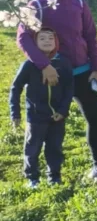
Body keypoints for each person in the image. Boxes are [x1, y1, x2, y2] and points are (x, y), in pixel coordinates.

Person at [16, 0, 97, 184]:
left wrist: (96, 68)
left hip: (83, 73)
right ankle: (44, 174)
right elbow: (23, 37)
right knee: (50, 124)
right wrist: (44, 65)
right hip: (53, 76)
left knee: (95, 120)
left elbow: (91, 36)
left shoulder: (79, 3)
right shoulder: (36, 6)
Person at [10, 27, 74, 188]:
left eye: (50, 38)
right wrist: (15, 113)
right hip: (36, 116)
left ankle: (54, 176)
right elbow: (15, 88)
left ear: (56, 42)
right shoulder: (29, 65)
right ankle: (32, 177)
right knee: (32, 148)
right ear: (34, 43)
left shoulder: (63, 63)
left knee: (55, 148)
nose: (47, 41)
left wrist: (63, 111)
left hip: (57, 117)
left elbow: (69, 89)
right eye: (42, 38)